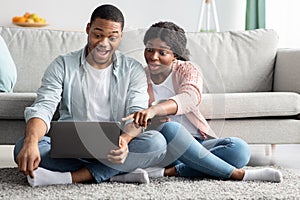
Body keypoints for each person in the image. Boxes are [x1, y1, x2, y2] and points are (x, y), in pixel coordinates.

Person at [13, 5, 167, 187]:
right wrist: (31, 142)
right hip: (72, 146)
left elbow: (137, 112)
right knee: (23, 146)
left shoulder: (133, 69)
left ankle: (72, 177)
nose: (104, 43)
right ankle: (117, 172)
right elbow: (44, 107)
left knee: (156, 143)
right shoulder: (62, 64)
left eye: (112, 37)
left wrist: (125, 141)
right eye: (98, 35)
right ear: (88, 29)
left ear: (121, 36)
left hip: (115, 145)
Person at [117, 21, 282, 183]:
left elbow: (190, 97)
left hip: (198, 143)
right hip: (166, 148)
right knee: (170, 128)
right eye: (149, 49)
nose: (153, 57)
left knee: (239, 150)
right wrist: (151, 121)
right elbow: (133, 114)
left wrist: (155, 110)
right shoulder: (140, 76)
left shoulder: (187, 69)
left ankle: (167, 172)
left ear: (175, 54)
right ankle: (238, 174)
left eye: (162, 52)